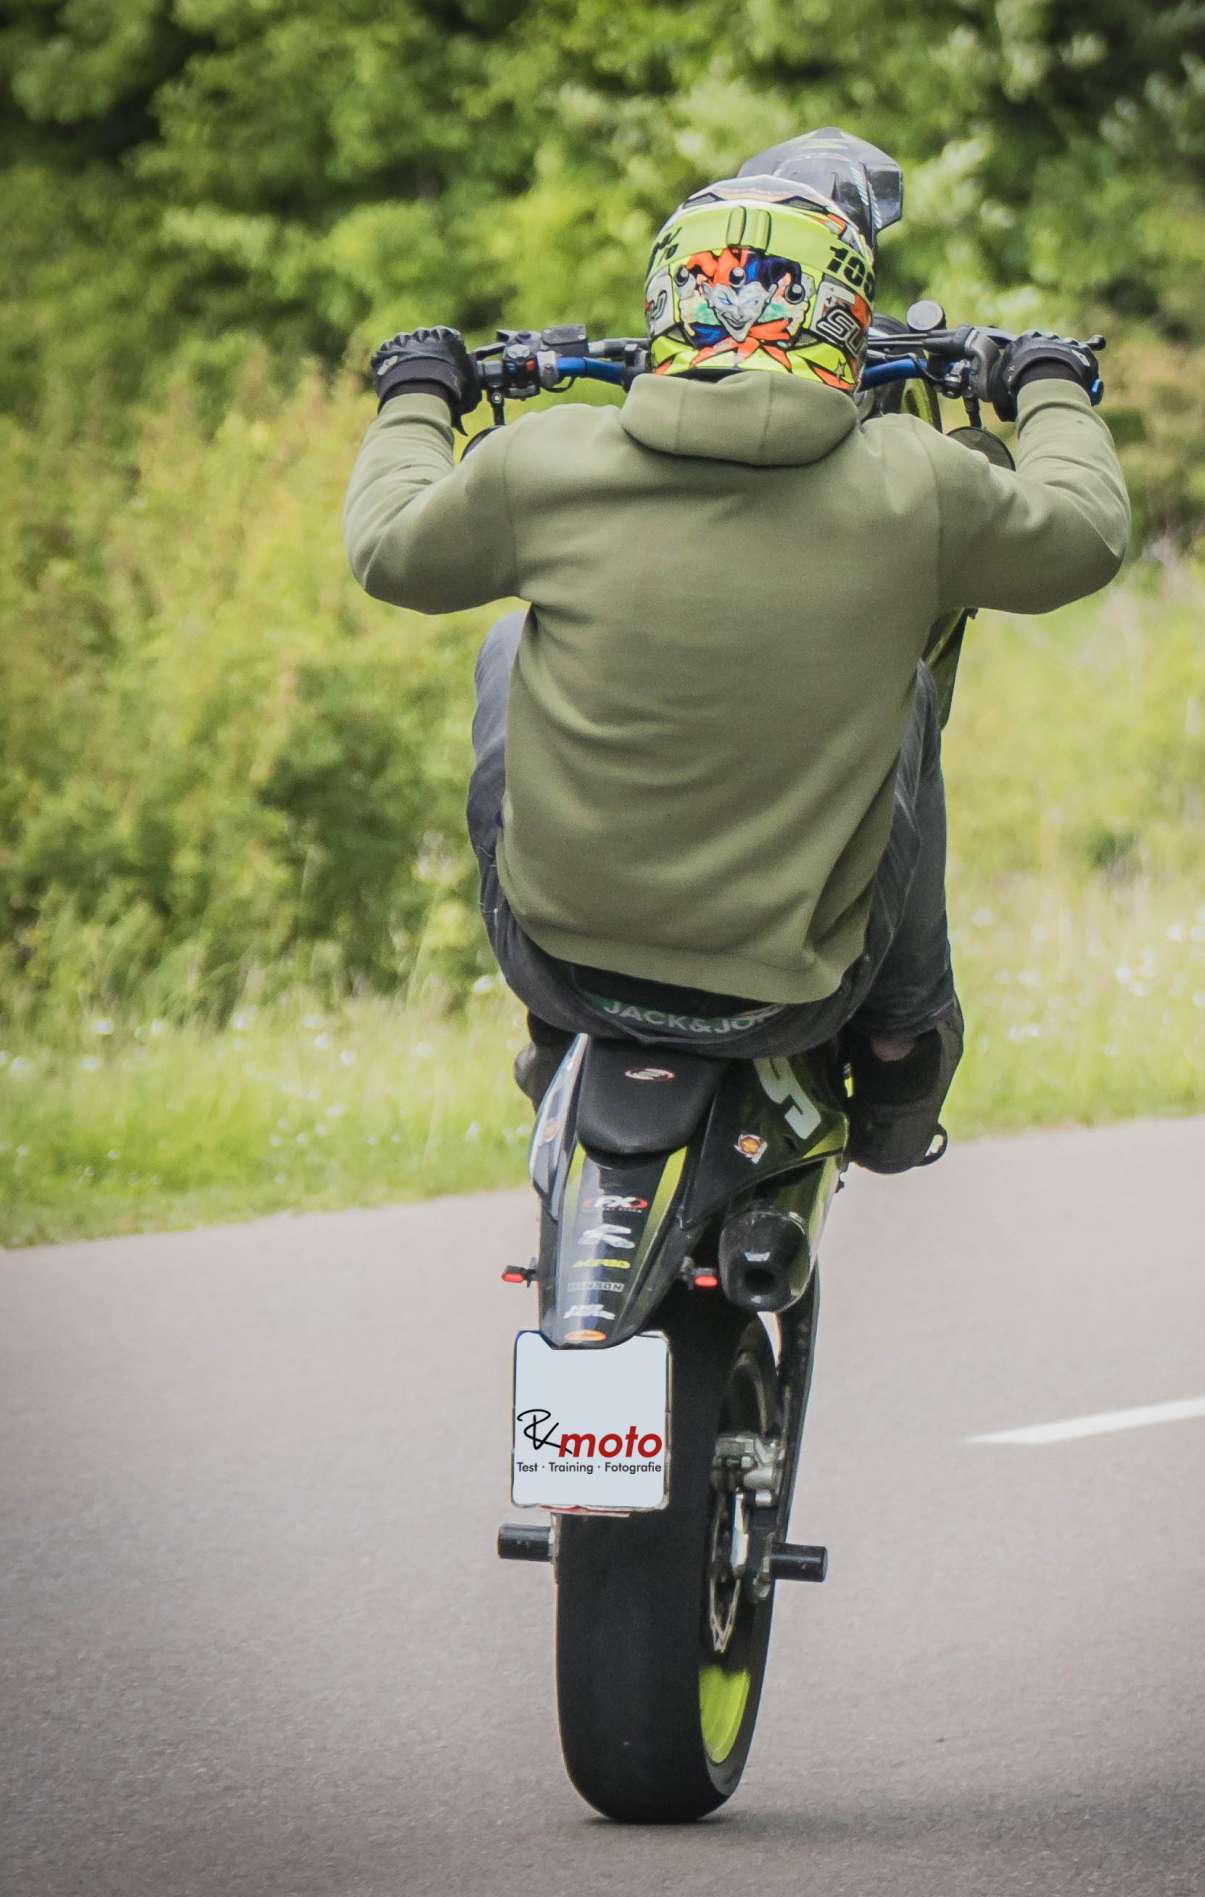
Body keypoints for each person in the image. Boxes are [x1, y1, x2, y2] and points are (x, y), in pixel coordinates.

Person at [343, 165, 1130, 1173]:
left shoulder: (540, 466)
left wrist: (417, 397)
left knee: (507, 645)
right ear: (843, 315)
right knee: (907, 699)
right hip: (794, 992)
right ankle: (902, 1035)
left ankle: (555, 1044)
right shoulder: (918, 486)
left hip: (557, 963)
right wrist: (1050, 382)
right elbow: (1086, 536)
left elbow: (390, 548)